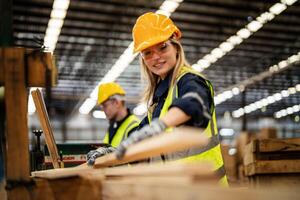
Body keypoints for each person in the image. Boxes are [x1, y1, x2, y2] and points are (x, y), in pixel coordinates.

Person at [115, 12, 228, 186]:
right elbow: (141, 135)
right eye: (147, 53)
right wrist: (115, 151)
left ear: (176, 47)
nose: (156, 57)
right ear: (143, 59)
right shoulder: (160, 96)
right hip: (180, 189)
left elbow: (194, 102)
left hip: (207, 190)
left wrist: (161, 125)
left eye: (162, 47)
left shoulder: (190, 81)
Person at [86, 82, 140, 165]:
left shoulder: (135, 126)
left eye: (105, 106)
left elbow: (135, 159)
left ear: (117, 103)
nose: (103, 110)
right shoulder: (112, 127)